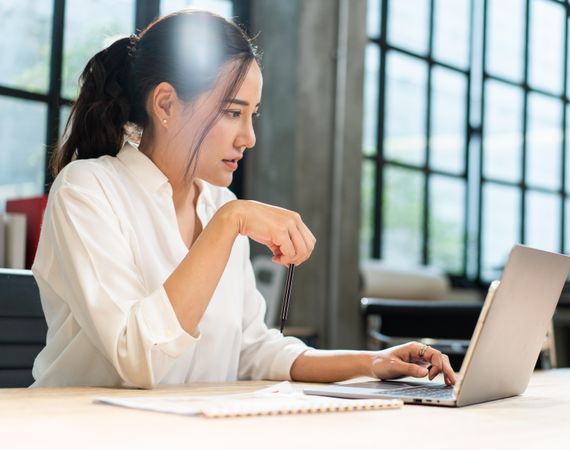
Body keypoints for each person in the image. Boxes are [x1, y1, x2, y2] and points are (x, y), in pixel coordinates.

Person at [31, 10, 456, 388]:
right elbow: (138, 356)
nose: (248, 137)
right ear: (166, 103)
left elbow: (252, 350)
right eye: (233, 112)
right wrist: (229, 222)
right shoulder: (87, 190)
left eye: (253, 114)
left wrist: (373, 362)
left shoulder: (217, 202)